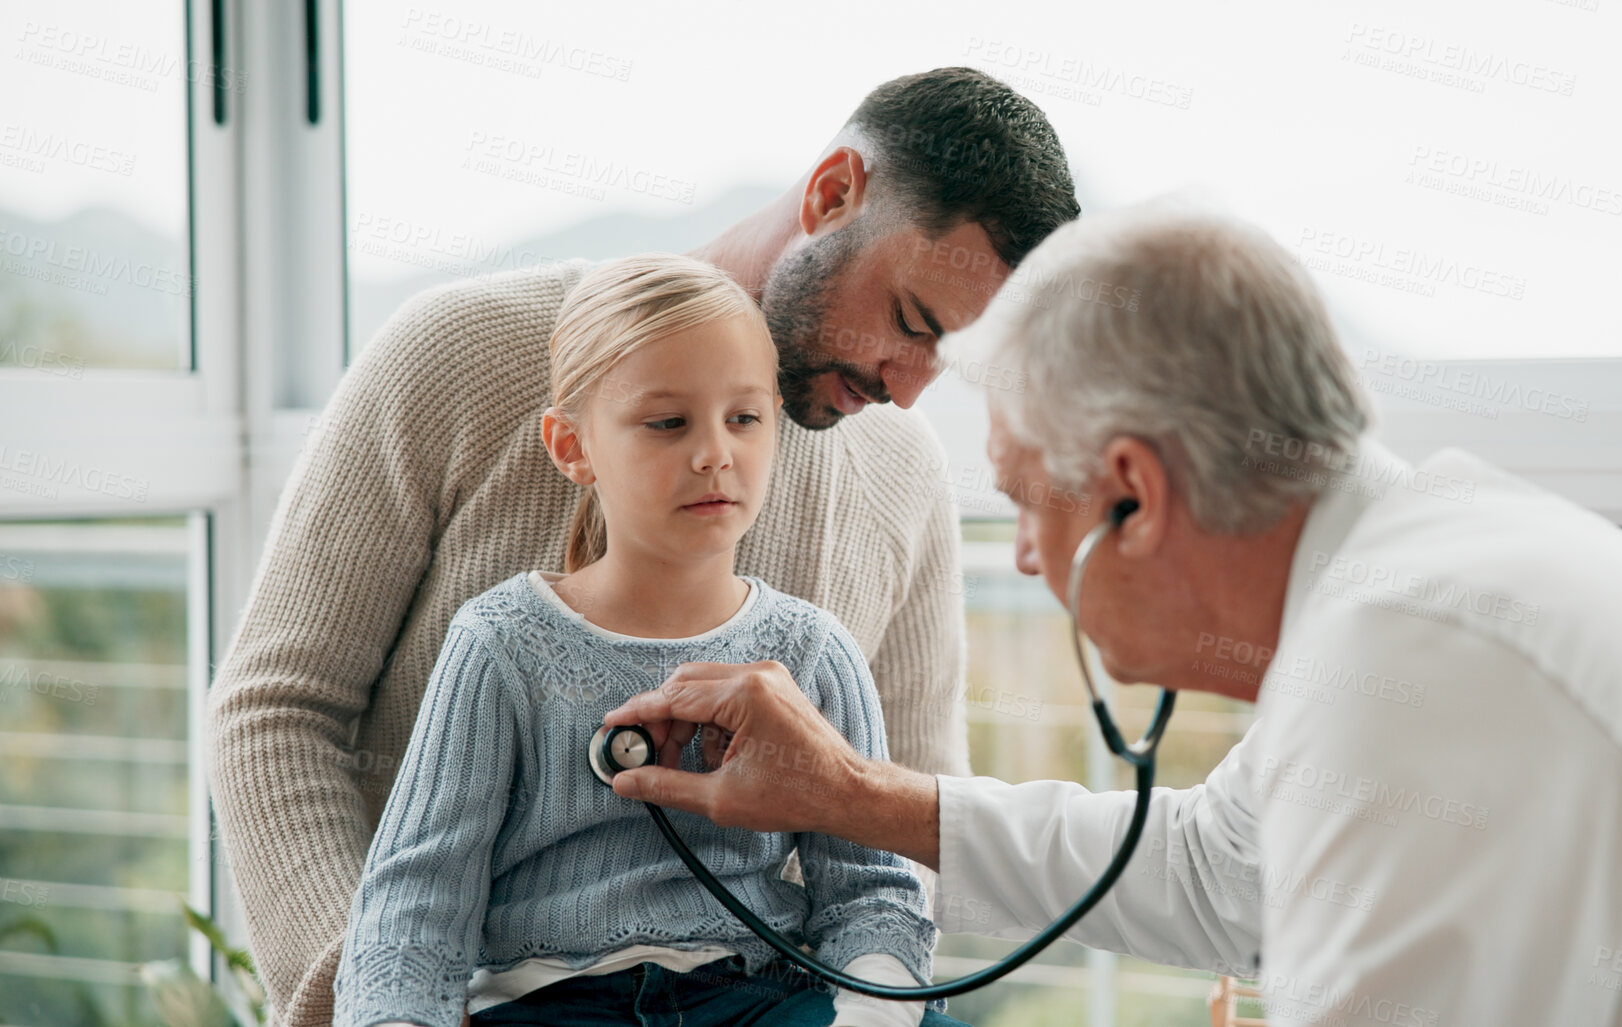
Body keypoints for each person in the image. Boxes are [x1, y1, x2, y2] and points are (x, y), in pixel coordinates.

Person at [601, 202, 1622, 1026]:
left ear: (1131, 492)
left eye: (1025, 505)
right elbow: (1211, 872)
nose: (1023, 562)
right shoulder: (1409, 576)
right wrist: (848, 792)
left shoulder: (1425, 651)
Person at [206, 67, 1078, 1026]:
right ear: (832, 194)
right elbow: (276, 714)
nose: (906, 387)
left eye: (947, 358)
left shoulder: (903, 477)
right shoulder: (459, 353)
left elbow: (901, 819)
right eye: (911, 322)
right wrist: (378, 1000)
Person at [334, 255, 959, 1027]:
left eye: (744, 418)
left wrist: (872, 1013)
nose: (713, 454)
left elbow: (871, 890)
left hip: (761, 998)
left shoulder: (811, 653)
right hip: (549, 1005)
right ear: (572, 447)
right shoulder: (500, 644)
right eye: (668, 423)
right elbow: (414, 903)